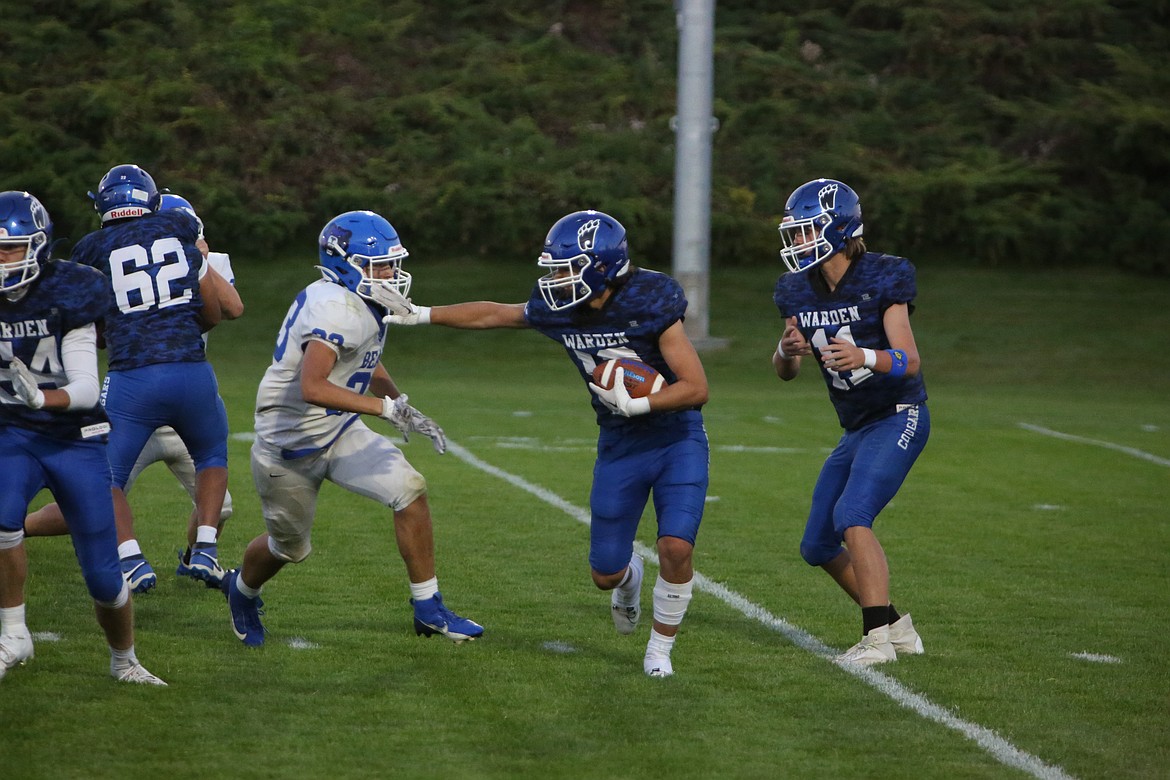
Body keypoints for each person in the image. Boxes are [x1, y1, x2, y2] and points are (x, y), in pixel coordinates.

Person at [383, 209, 710, 678]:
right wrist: (421, 314)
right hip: (619, 444)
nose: (556, 279)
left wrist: (638, 405)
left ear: (599, 266)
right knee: (605, 573)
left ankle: (660, 651)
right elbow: (496, 313)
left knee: (676, 547)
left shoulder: (651, 297)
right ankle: (629, 579)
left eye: (566, 267)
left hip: (677, 438)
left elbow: (696, 387)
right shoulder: (561, 306)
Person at [221, 209, 483, 648]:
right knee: (287, 549)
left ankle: (428, 607)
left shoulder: (358, 300)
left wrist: (400, 402)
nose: (391, 274)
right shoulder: (335, 307)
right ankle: (242, 590)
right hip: (291, 445)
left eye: (393, 264)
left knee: (410, 490)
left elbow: (363, 357)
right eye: (379, 266)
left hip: (339, 429)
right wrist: (383, 409)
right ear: (344, 263)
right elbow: (312, 385)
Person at [23, 193, 243, 586]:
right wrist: (173, 332)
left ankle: (143, 559)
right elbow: (214, 314)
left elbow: (88, 321)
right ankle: (16, 530)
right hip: (190, 377)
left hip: (135, 384)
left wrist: (133, 332)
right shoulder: (180, 234)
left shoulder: (95, 247)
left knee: (101, 479)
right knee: (210, 457)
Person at [0, 190, 165, 685]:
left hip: (76, 438)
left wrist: (41, 399)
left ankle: (124, 660)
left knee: (104, 578)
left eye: (9, 248)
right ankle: (13, 632)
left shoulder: (72, 289)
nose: (0, 258)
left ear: (39, 247)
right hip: (14, 433)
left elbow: (87, 387)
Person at [770, 178, 930, 666]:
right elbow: (785, 370)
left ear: (837, 229)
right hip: (857, 426)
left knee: (852, 515)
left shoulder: (884, 275)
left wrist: (864, 354)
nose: (797, 242)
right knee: (817, 543)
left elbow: (910, 359)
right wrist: (786, 350)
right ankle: (899, 628)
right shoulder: (797, 288)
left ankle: (876, 638)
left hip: (899, 415)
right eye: (793, 233)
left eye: (805, 231)